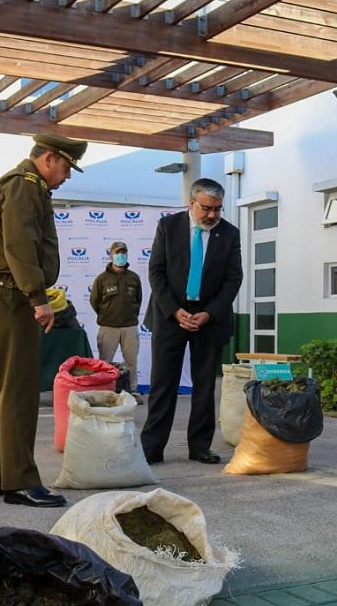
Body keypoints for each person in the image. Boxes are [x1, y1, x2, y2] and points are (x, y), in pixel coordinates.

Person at [0, 133, 87, 508]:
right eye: (67, 167)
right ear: (51, 158)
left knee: (2, 385)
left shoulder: (25, 185)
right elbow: (20, 245)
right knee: (20, 389)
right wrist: (38, 298)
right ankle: (20, 481)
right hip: (13, 293)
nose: (67, 176)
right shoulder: (24, 186)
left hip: (5, 291)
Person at [140, 178, 242, 465]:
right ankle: (152, 447)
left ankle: (200, 446)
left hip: (209, 318)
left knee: (204, 385)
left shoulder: (229, 234)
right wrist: (174, 310)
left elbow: (234, 279)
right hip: (170, 315)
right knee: (163, 384)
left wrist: (209, 313)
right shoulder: (168, 227)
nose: (212, 215)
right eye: (207, 208)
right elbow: (156, 272)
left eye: (218, 209)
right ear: (191, 203)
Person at [89, 240, 143, 399]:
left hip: (129, 327)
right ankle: (104, 391)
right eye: (117, 253)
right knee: (105, 362)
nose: (120, 255)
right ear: (111, 255)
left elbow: (138, 300)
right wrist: (106, 314)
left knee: (131, 362)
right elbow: (94, 301)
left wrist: (130, 315)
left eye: (123, 252)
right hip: (108, 327)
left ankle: (132, 390)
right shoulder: (102, 279)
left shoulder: (134, 278)